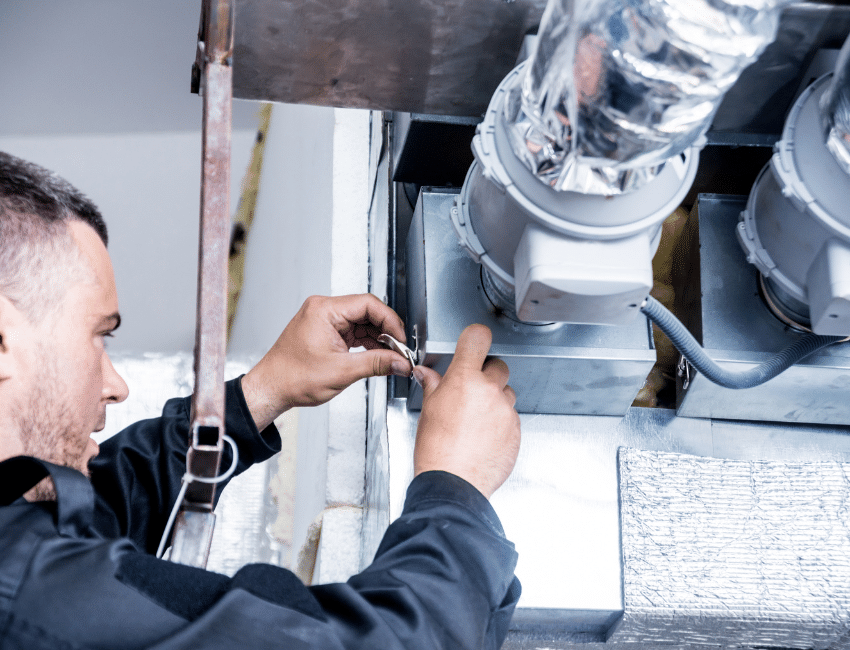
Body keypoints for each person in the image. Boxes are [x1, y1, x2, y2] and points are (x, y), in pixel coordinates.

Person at [0, 151, 522, 649]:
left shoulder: (19, 540)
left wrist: (261, 393)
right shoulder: (24, 600)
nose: (116, 385)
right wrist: (455, 487)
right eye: (99, 335)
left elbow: (104, 504)